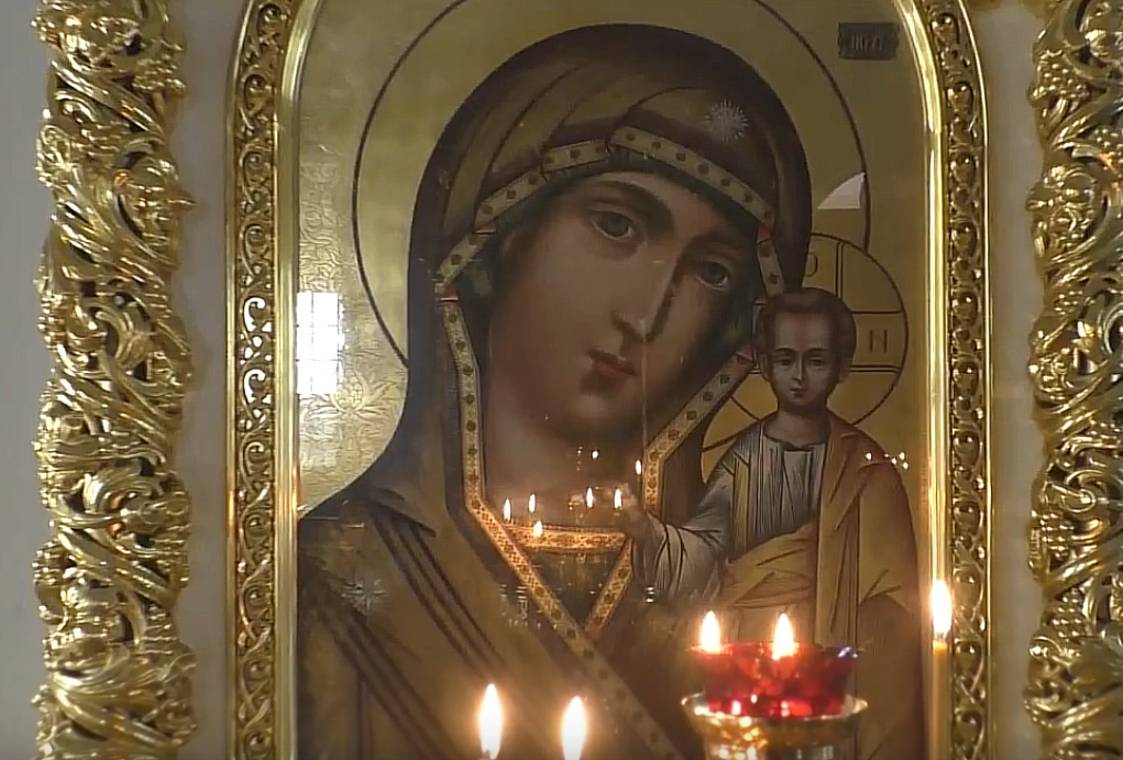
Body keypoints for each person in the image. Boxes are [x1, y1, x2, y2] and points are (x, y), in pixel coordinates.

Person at [297, 25, 812, 760]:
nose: (646, 315)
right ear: (504, 233)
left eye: (711, 272)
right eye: (617, 225)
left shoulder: (745, 583)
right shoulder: (335, 577)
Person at [631, 288, 926, 759]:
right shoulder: (744, 459)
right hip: (748, 652)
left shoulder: (867, 469)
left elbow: (898, 598)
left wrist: (862, 644)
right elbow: (704, 548)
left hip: (828, 647)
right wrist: (647, 533)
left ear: (842, 366)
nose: (800, 376)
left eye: (816, 361)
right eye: (786, 360)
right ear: (766, 366)